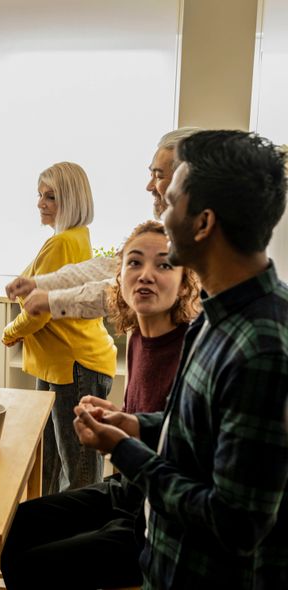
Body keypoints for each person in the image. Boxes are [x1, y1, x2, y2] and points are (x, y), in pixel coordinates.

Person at [74, 130, 288, 589]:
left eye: (170, 201)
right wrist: (137, 426)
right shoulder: (217, 314)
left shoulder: (263, 349)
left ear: (203, 223)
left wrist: (123, 451)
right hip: (166, 558)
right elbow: (200, 435)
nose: (162, 213)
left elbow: (235, 524)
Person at [0, 220, 200, 589]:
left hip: (159, 517)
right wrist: (121, 419)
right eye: (134, 263)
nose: (146, 275)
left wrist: (120, 439)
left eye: (165, 265)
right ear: (118, 280)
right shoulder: (138, 334)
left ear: (187, 280)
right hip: (127, 488)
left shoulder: (193, 349)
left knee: (32, 566)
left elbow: (187, 453)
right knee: (15, 526)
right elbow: (86, 274)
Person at [2, 161, 116, 494]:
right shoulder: (74, 237)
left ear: (71, 200)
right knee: (50, 466)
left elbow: (40, 310)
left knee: (78, 474)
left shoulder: (61, 242)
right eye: (40, 195)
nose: (41, 204)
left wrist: (11, 332)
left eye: (50, 197)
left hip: (73, 366)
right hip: (65, 365)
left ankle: (75, 543)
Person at [6, 127, 202, 319]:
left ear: (187, 181)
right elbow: (112, 268)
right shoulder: (172, 235)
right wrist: (40, 283)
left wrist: (53, 299)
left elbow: (123, 288)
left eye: (158, 176)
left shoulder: (200, 241)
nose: (149, 186)